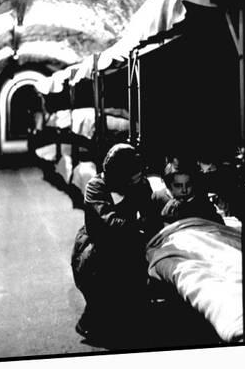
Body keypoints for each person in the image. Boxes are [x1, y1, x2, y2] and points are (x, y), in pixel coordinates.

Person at [71, 143, 160, 342]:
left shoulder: (139, 183)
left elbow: (150, 213)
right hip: (97, 244)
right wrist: (138, 226)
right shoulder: (96, 186)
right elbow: (109, 222)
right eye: (133, 176)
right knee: (102, 275)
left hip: (127, 239)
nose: (138, 178)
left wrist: (149, 226)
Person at [152, 157, 224, 225]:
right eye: (178, 186)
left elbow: (218, 224)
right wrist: (163, 219)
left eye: (188, 185)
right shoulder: (157, 198)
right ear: (168, 186)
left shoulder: (199, 198)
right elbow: (149, 230)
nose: (184, 190)